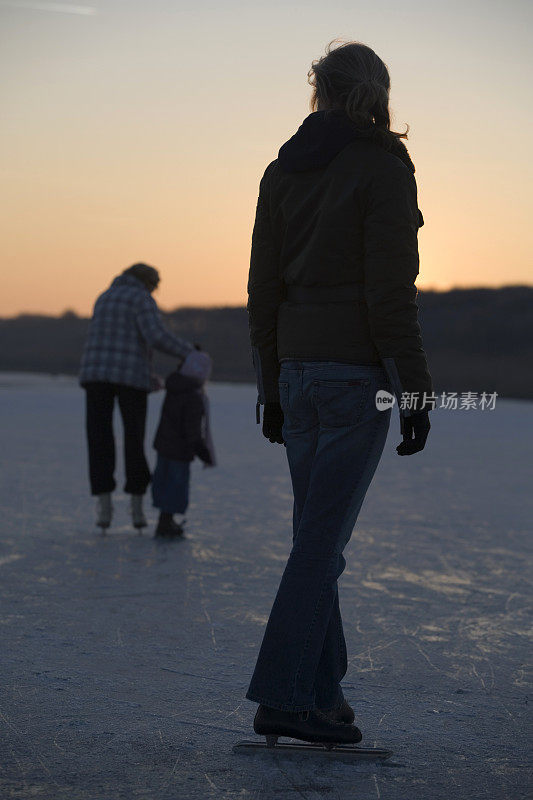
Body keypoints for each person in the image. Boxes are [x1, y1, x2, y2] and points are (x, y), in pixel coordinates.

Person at [245, 40, 433, 747]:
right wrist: (411, 391)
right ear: (377, 94)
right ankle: (285, 698)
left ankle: (322, 692)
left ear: (317, 90)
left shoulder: (281, 169)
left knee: (313, 539)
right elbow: (391, 294)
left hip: (296, 372)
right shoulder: (382, 168)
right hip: (353, 378)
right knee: (320, 545)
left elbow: (262, 288)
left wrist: (271, 382)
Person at [79, 262, 194, 530]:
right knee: (134, 438)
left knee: (99, 438)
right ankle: (137, 508)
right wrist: (189, 352)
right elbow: (155, 336)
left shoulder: (104, 297)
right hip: (129, 377)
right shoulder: (141, 299)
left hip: (94, 374)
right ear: (148, 283)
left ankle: (104, 507)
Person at [151, 348, 216, 538]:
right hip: (180, 451)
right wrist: (201, 449)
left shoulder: (174, 389)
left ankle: (165, 520)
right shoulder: (194, 398)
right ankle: (166, 524)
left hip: (163, 445)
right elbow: (192, 429)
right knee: (176, 487)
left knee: (165, 483)